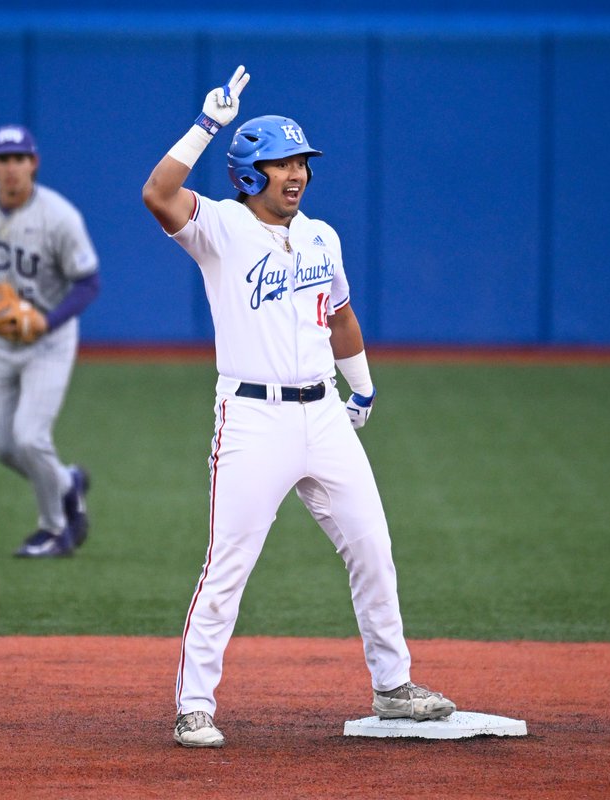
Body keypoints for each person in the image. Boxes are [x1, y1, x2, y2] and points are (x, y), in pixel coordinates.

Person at [141, 66, 456, 749]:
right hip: (252, 419)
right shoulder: (219, 228)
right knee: (229, 562)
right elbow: (157, 193)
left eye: (301, 162)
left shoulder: (322, 236)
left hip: (323, 415)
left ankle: (394, 688)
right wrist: (206, 126)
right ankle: (194, 703)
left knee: (373, 544)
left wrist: (362, 385)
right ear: (248, 174)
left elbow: (341, 318)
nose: (296, 174)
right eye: (280, 163)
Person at [0, 124, 97, 558]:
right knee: (5, 448)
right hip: (0, 343)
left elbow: (88, 283)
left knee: (30, 439)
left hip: (50, 342)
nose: (12, 168)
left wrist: (47, 322)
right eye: (3, 159)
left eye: (19, 158)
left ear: (34, 163)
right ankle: (68, 482)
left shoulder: (60, 216)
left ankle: (56, 529)